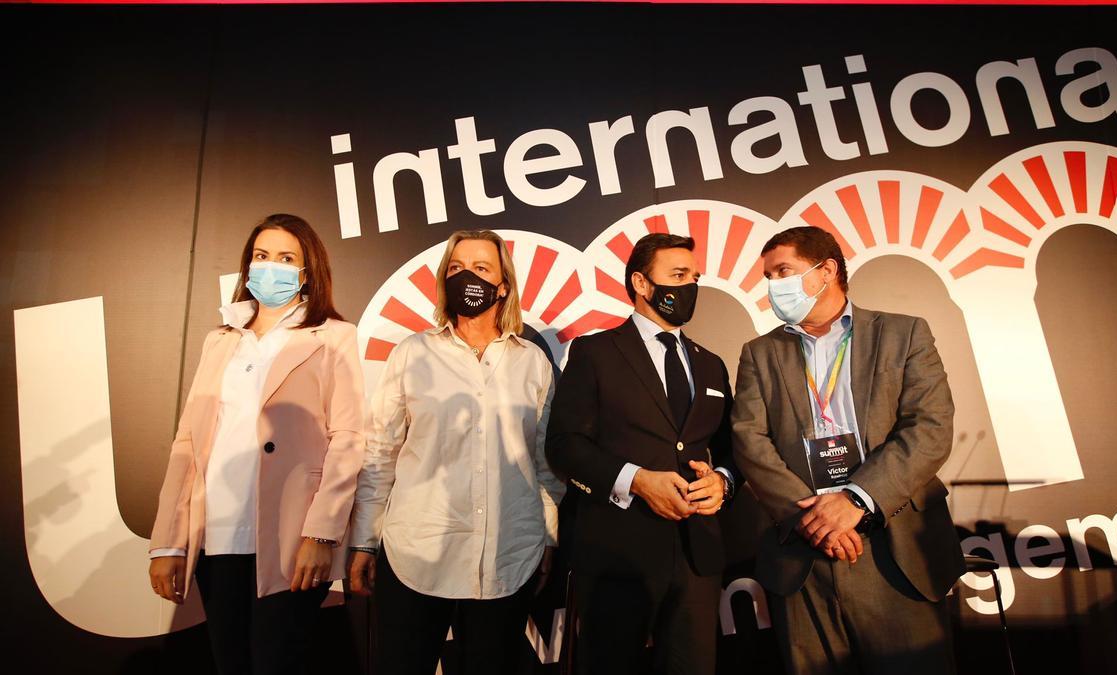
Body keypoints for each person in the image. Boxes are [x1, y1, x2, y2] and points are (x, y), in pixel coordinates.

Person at [731, 226, 965, 675]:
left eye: (784, 271)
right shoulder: (759, 353)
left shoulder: (904, 333)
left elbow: (930, 428)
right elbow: (749, 441)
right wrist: (814, 518)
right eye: (768, 276)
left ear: (826, 270)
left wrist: (856, 500)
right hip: (801, 555)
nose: (773, 286)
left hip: (893, 548)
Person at [147, 213, 366, 675]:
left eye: (287, 258)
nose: (271, 267)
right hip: (218, 537)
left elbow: (347, 439)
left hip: (291, 540)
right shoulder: (221, 340)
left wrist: (320, 533)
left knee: (278, 662)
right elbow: (188, 442)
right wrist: (168, 543)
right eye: (262, 256)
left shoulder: (332, 337)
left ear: (308, 272)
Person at [347, 230, 562, 675]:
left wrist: (546, 536)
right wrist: (366, 540)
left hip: (509, 554)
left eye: (482, 269)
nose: (468, 277)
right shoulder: (413, 354)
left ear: (503, 285)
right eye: (457, 268)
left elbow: (546, 462)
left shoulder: (532, 363)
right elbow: (381, 452)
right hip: (417, 554)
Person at [546, 232, 740, 675]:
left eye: (694, 277)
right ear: (641, 283)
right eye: (677, 275)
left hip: (697, 560)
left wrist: (723, 482)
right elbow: (564, 446)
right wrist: (636, 480)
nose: (689, 286)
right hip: (618, 556)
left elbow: (733, 451)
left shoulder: (711, 363)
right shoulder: (595, 352)